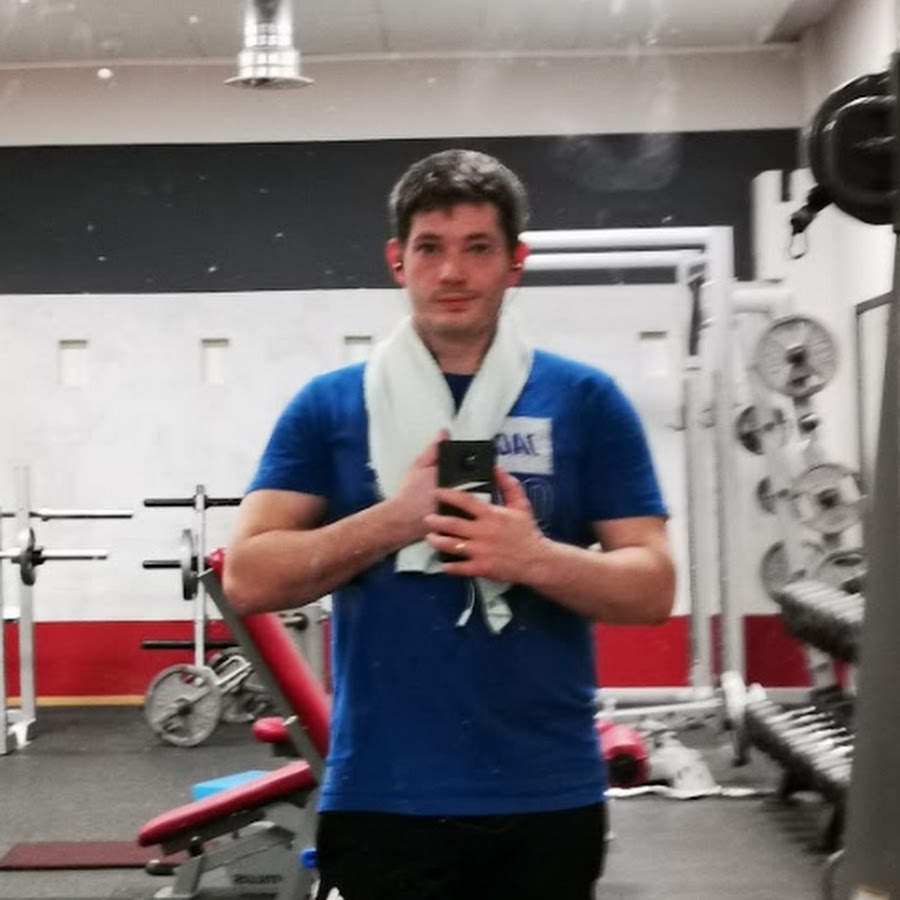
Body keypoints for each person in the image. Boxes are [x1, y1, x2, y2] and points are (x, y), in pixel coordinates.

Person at [224, 148, 675, 900]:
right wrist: (396, 520)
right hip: (385, 793)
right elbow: (247, 577)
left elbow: (653, 586)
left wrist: (532, 558)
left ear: (516, 262)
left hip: (546, 791)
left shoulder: (586, 400)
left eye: (478, 248)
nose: (452, 272)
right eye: (430, 248)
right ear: (398, 261)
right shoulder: (328, 407)